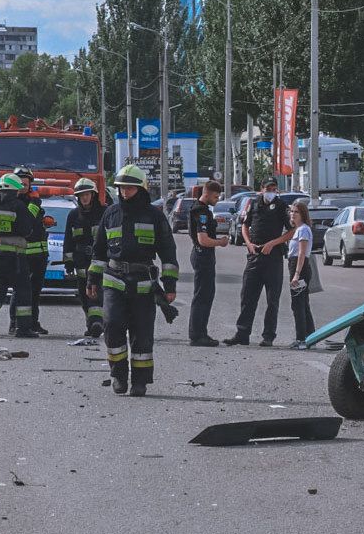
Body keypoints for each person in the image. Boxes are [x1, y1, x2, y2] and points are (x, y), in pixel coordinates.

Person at [87, 164, 180, 396]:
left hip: (143, 283)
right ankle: (118, 375)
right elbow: (99, 252)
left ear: (141, 189)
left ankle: (140, 381)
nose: (124, 192)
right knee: (112, 326)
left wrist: (170, 286)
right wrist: (92, 279)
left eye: (130, 188)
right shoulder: (110, 214)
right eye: (121, 188)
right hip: (113, 279)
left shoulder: (155, 216)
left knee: (142, 333)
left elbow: (168, 253)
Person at [224, 178, 293, 347]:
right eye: (268, 188)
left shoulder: (282, 206)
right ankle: (242, 333)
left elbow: (292, 231)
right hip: (254, 256)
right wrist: (248, 243)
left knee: (272, 300)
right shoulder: (254, 204)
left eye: (274, 188)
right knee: (247, 296)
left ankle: (268, 336)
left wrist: (273, 243)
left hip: (273, 257)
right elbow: (244, 226)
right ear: (261, 189)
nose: (271, 191)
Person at [0, 174, 36, 338]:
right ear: (14, 190)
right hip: (15, 255)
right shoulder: (18, 205)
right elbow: (27, 230)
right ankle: (23, 328)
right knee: (23, 290)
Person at [187, 181, 229, 347]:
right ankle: (198, 335)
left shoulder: (202, 209)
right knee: (203, 296)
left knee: (205, 294)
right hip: (202, 255)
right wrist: (221, 242)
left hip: (202, 255)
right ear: (207, 194)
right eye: (216, 196)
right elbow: (203, 240)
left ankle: (199, 332)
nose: (217, 200)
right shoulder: (201, 212)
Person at [64, 178, 106, 338]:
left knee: (97, 292)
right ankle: (92, 324)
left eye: (87, 194)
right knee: (83, 294)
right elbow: (68, 241)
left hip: (100, 260)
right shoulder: (73, 215)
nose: (85, 198)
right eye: (81, 195)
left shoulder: (104, 213)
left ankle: (97, 322)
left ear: (93, 194)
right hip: (81, 261)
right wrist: (68, 264)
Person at [12, 166, 48, 335]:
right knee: (20, 291)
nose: (24, 184)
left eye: (27, 181)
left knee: (35, 292)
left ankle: (33, 322)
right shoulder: (13, 202)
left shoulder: (33, 201)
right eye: (21, 181)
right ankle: (15, 323)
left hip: (39, 255)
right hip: (23, 254)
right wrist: (34, 204)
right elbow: (27, 221)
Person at [287, 202, 316, 349]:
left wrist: (296, 275)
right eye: (291, 211)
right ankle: (310, 337)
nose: (292, 214)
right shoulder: (298, 229)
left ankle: (301, 339)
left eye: (296, 212)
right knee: (303, 304)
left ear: (303, 214)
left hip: (300, 268)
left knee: (298, 304)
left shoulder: (303, 230)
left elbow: (301, 253)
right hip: (296, 266)